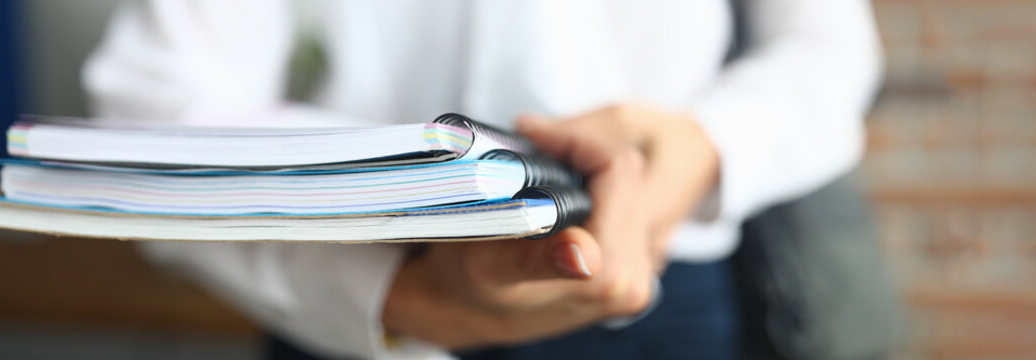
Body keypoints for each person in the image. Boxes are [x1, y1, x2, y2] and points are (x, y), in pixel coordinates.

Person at [84, 1, 881, 359]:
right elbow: (158, 95)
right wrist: (390, 298)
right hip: (361, 295)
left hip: (664, 282)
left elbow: (828, 46)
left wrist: (704, 144)